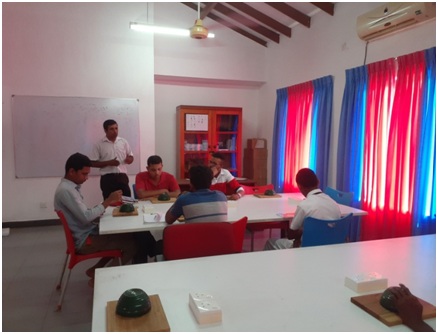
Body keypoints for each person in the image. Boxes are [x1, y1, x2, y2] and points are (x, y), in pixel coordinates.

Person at [54, 153, 138, 286]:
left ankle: (95, 270)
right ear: (71, 171)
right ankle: (101, 280)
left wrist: (100, 210)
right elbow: (86, 217)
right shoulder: (66, 191)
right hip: (84, 241)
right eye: (84, 174)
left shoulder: (70, 188)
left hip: (85, 233)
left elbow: (84, 214)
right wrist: (108, 201)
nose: (87, 178)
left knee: (122, 235)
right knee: (132, 245)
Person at [264, 168, 341, 250]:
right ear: (318, 182)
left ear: (299, 186)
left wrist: (302, 231)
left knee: (270, 243)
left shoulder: (304, 205)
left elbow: (290, 235)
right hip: (331, 247)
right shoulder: (334, 203)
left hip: (307, 248)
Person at [90, 119, 134, 199]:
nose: (115, 131)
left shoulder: (123, 142)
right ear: (105, 130)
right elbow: (92, 163)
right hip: (107, 179)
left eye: (116, 128)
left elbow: (131, 156)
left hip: (122, 177)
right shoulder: (99, 144)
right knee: (109, 203)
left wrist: (129, 159)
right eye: (111, 129)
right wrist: (109, 163)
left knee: (127, 202)